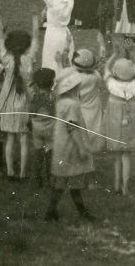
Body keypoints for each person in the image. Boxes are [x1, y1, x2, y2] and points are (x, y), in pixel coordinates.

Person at [45, 69, 97, 222]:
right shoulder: (72, 104)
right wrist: (81, 147)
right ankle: (56, 212)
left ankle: (60, 211)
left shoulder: (60, 102)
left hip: (61, 145)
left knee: (65, 179)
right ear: (73, 88)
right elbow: (72, 126)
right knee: (73, 178)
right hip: (71, 146)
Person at [0, 30, 34, 180]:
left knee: (10, 139)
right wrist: (35, 20)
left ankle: (10, 171)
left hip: (9, 104)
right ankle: (23, 173)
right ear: (27, 46)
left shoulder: (6, 59)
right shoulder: (29, 60)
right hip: (24, 103)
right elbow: (35, 39)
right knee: (24, 140)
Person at [103, 55, 135, 195]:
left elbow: (106, 68)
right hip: (130, 123)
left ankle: (116, 185)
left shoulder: (111, 85)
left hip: (115, 123)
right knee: (126, 155)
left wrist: (113, 54)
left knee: (117, 156)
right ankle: (125, 187)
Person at [30, 0, 74, 72]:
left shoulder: (52, 2)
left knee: (51, 60)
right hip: (65, 33)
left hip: (53, 34)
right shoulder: (70, 1)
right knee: (66, 59)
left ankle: (51, 80)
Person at [29, 68, 56, 186]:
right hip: (51, 128)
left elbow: (31, 113)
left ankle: (38, 179)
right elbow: (55, 112)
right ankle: (50, 178)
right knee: (50, 152)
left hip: (37, 128)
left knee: (38, 152)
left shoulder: (35, 97)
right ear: (51, 82)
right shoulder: (52, 96)